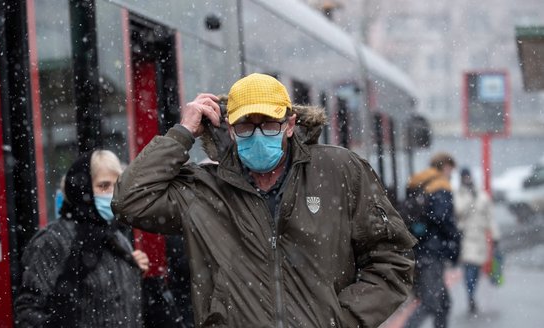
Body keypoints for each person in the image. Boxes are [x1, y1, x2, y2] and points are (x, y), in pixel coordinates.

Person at [112, 73, 417, 327]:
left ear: (290, 124)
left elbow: (392, 257)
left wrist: (343, 319)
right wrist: (183, 132)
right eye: (246, 126)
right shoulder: (205, 189)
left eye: (270, 124)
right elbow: (130, 200)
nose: (258, 135)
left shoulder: (339, 171)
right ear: (230, 130)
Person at [15, 150, 149, 328]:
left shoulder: (116, 238)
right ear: (81, 189)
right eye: (103, 186)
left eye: (117, 185)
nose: (112, 192)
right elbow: (28, 311)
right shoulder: (53, 240)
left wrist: (133, 271)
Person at [404, 152, 461, 328]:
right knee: (432, 302)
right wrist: (455, 238)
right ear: (445, 166)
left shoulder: (418, 183)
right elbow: (443, 218)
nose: (451, 173)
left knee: (442, 303)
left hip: (419, 249)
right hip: (432, 252)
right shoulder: (441, 187)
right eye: (451, 168)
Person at [454, 168, 500, 314]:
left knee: (475, 270)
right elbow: (457, 212)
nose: (467, 179)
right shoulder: (458, 195)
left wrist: (495, 236)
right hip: (465, 238)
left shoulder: (482, 196)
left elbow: (490, 218)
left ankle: (471, 293)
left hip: (479, 238)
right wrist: (469, 200)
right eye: (464, 177)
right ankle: (470, 295)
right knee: (469, 268)